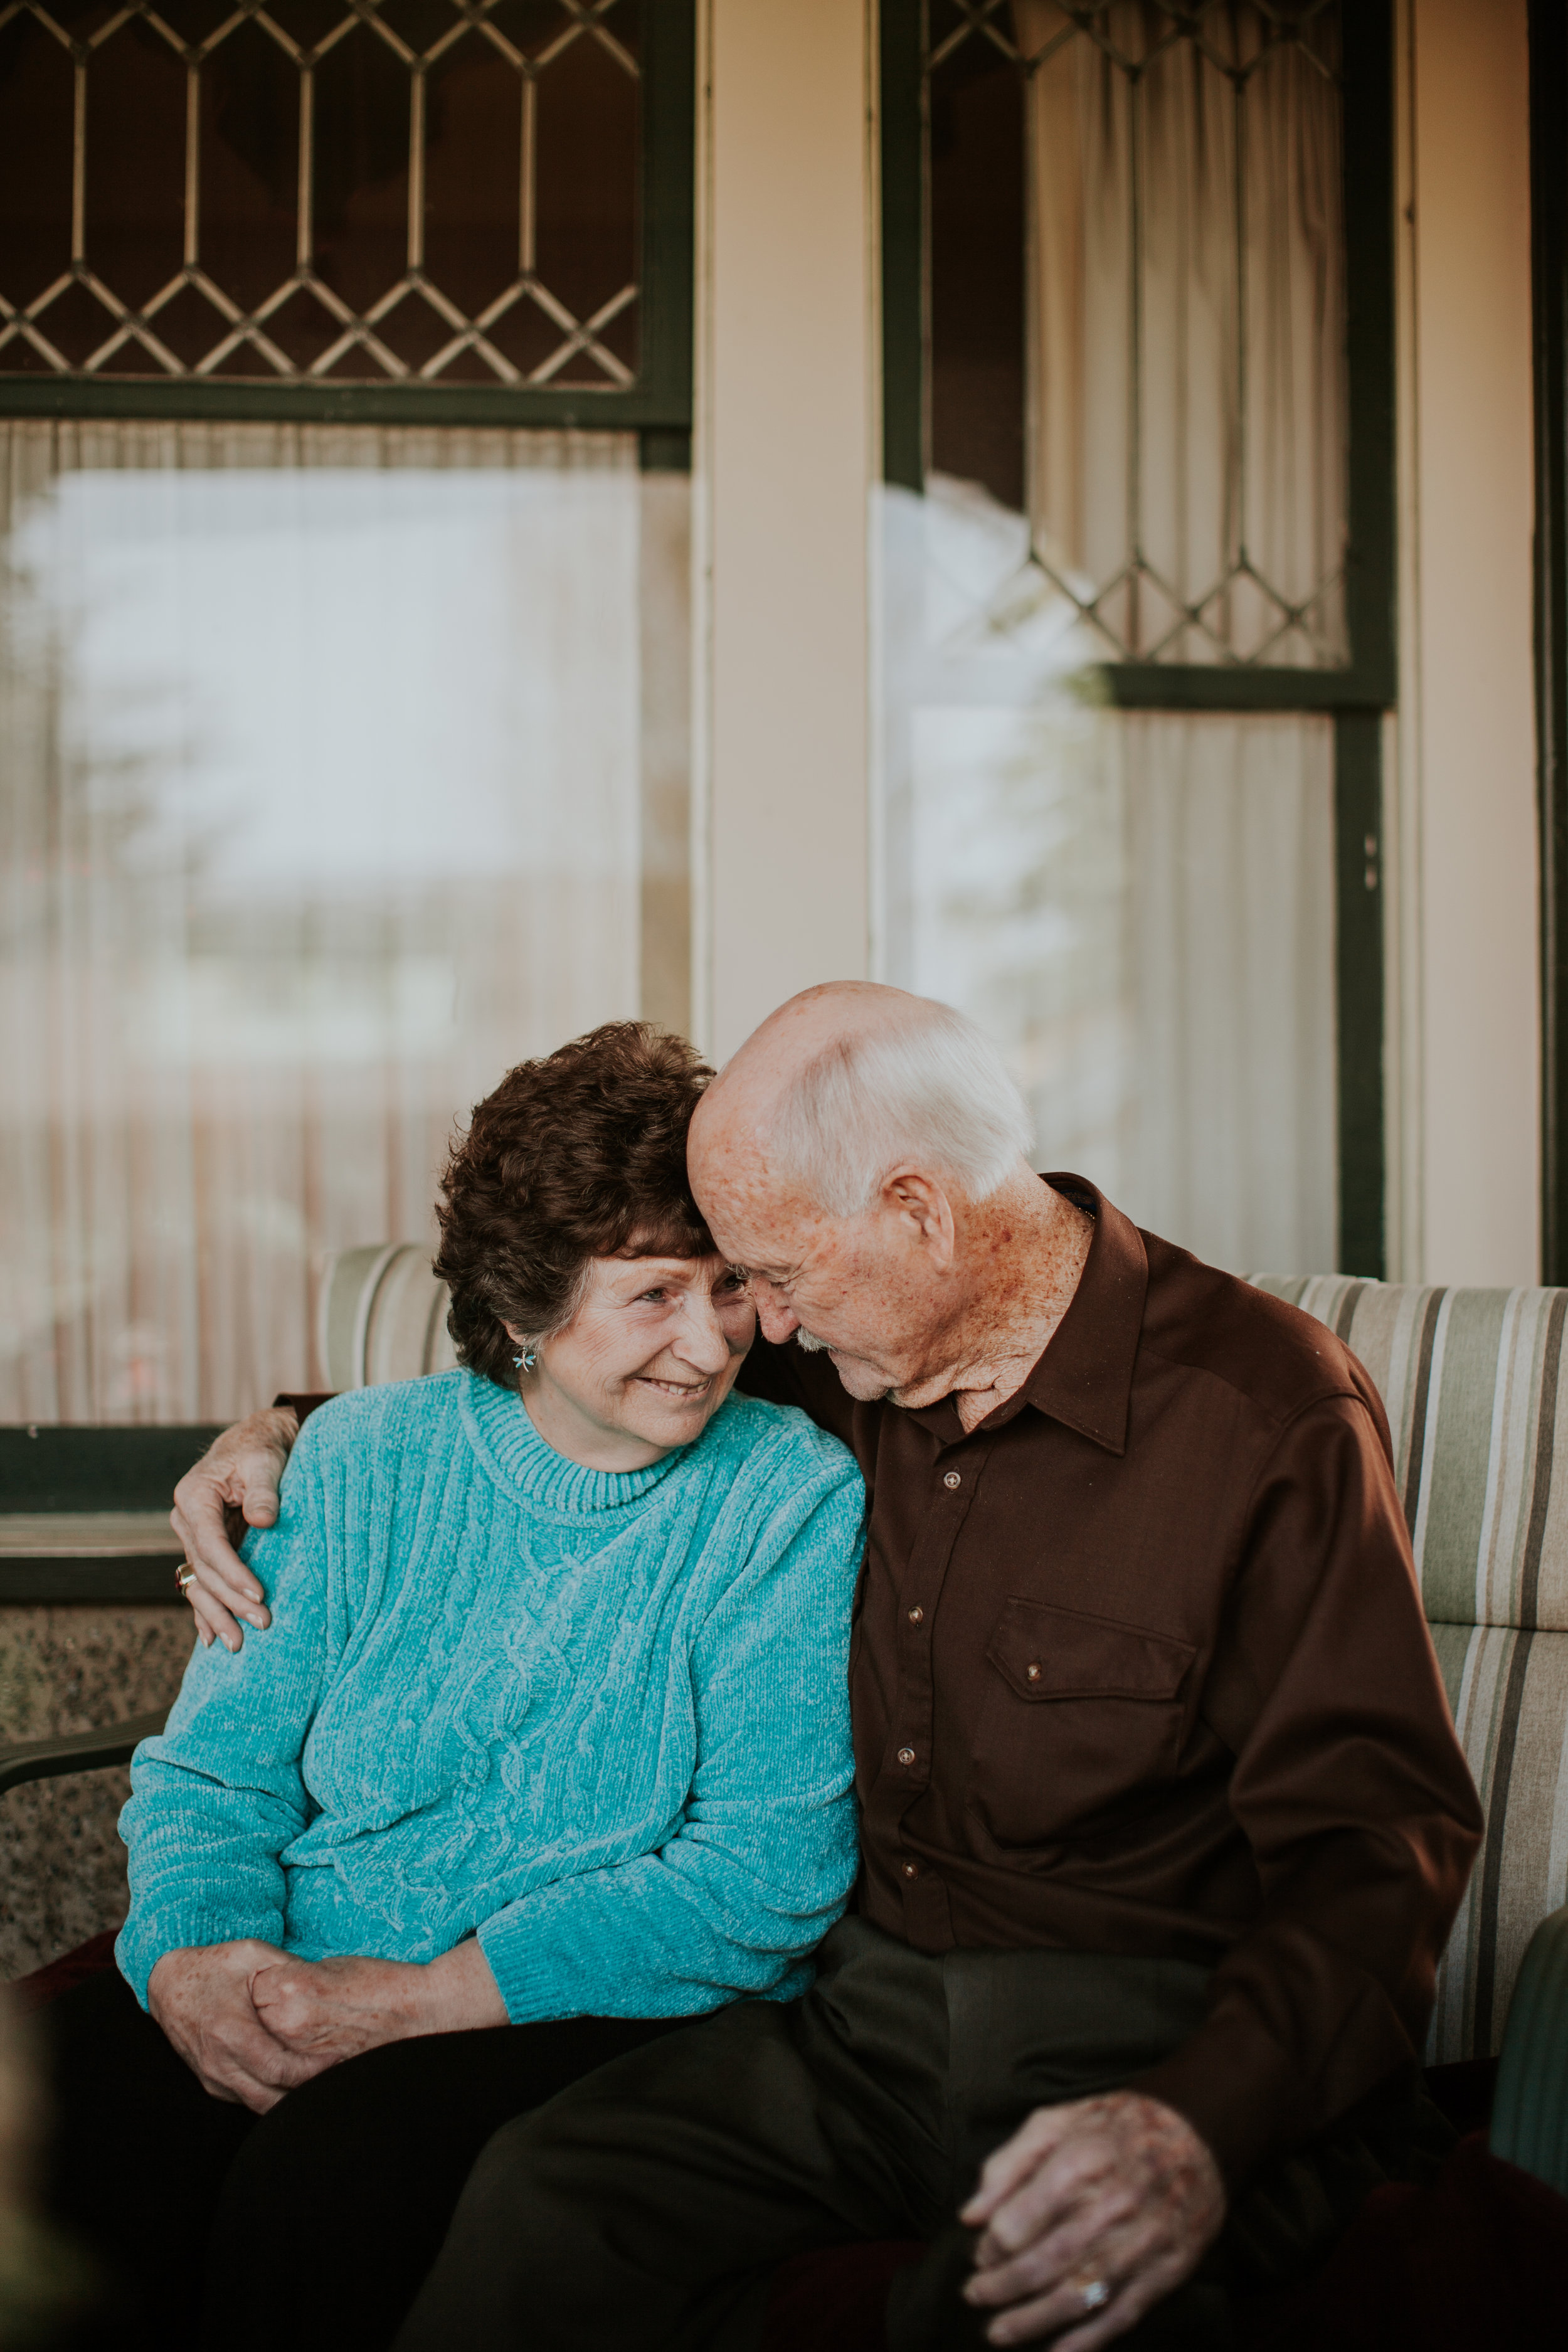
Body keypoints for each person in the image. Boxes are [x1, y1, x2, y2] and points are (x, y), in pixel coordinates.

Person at [177, 984, 1483, 2351]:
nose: (761, 1334)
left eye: (773, 1278)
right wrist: (273, 1435)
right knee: (545, 2201)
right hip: (856, 2038)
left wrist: (1195, 2121)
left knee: (997, 2312)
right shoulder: (854, 1355)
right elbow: (561, 1386)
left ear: (917, 1213)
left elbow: (1375, 1847)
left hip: (1138, 2034)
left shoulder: (1260, 1416)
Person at [38, 1020, 864, 2352]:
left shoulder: (785, 1495)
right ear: (518, 1311)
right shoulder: (360, 1461)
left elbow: (761, 1877)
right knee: (74, 2120)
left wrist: (409, 2003)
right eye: (652, 1293)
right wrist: (193, 1961)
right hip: (290, 1966)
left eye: (725, 1287)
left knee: (331, 2187)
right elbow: (212, 1776)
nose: (711, 1344)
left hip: (564, 2004)